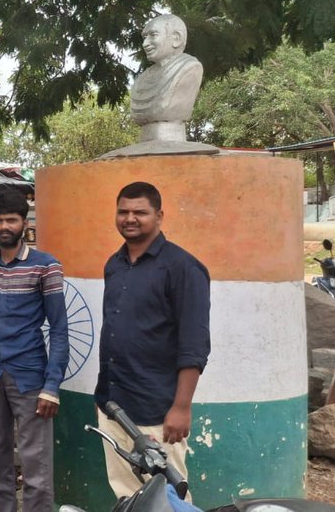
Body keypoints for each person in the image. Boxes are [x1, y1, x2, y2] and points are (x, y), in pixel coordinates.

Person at [95, 181, 210, 498]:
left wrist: (181, 407)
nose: (129, 218)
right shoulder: (114, 265)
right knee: (127, 494)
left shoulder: (183, 268)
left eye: (139, 212)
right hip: (113, 402)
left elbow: (194, 345)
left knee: (166, 497)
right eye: (123, 212)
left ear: (159, 216)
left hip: (157, 410)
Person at [0, 190, 69, 512]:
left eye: (11, 219)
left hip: (31, 377)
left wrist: (52, 387)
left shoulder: (46, 266)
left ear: (24, 223)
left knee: (36, 467)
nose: (4, 226)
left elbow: (59, 329)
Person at [130, 14, 203, 144]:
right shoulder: (143, 78)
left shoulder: (189, 68)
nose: (145, 44)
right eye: (144, 37)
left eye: (153, 35)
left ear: (176, 38)